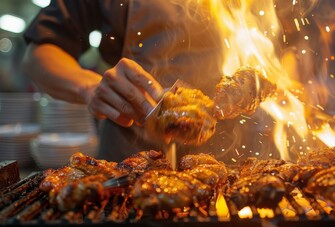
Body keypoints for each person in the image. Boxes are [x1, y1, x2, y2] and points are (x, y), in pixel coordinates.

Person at [23, 0, 257, 162]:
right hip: (131, 151)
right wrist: (89, 87)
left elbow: (287, 54)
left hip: (231, 154)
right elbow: (39, 53)